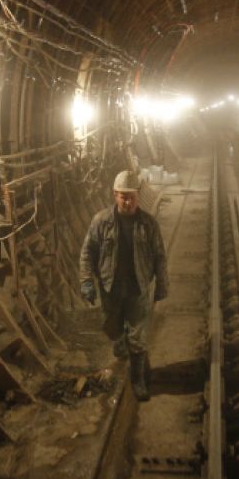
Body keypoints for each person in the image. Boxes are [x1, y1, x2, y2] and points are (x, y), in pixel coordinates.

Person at [79, 170, 168, 401]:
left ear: (138, 196)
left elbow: (159, 256)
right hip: (111, 288)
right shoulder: (101, 221)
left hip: (138, 287)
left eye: (131, 197)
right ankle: (121, 343)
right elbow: (88, 252)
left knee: (137, 337)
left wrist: (162, 284)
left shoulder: (148, 224)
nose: (127, 201)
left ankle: (137, 380)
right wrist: (86, 280)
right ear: (115, 195)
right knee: (113, 328)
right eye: (122, 196)